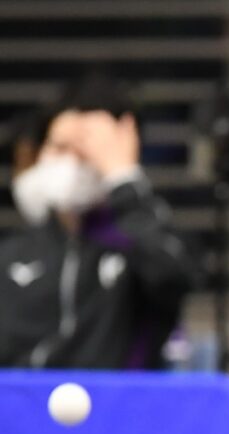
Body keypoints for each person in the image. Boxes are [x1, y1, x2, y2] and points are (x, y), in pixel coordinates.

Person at [0, 74, 197, 369]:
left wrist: (124, 181)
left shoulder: (142, 246)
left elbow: (176, 277)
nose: (70, 161)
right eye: (59, 148)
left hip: (117, 398)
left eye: (86, 150)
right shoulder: (11, 254)